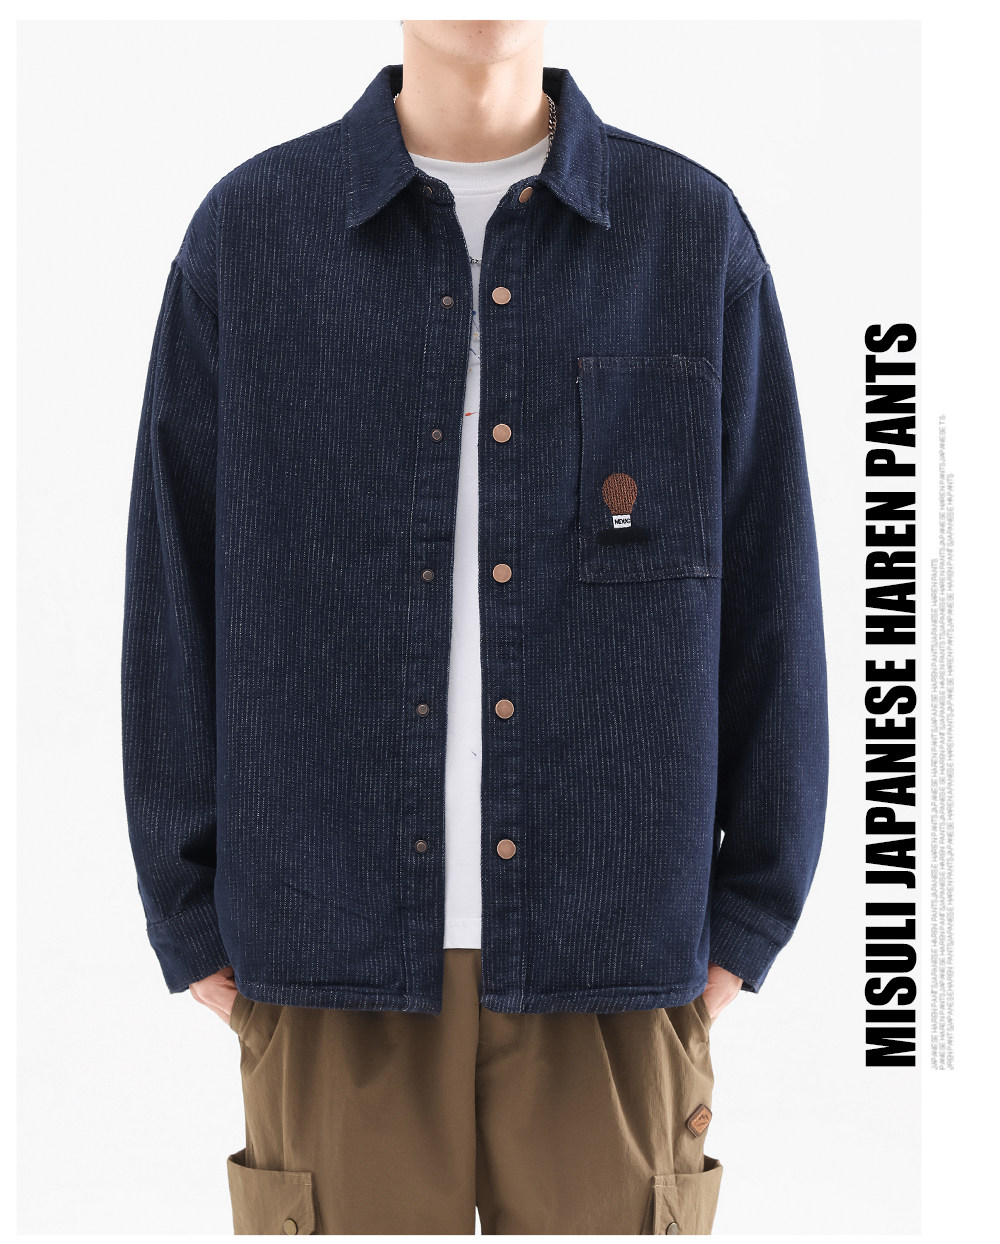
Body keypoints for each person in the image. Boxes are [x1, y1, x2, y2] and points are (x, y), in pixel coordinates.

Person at [121, 18, 828, 1236]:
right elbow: (170, 586)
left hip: (616, 961)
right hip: (327, 958)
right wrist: (187, 913)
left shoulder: (687, 234)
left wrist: (748, 915)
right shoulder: (252, 235)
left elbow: (773, 587)